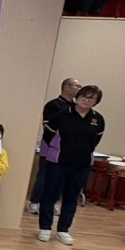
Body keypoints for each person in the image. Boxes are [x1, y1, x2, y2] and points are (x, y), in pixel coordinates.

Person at [38, 85, 105, 245]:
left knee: (71, 197)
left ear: (96, 102)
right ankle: (45, 228)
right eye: (84, 96)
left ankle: (63, 230)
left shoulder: (98, 119)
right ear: (77, 96)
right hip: (58, 162)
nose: (86, 100)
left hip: (82, 165)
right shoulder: (61, 114)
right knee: (50, 195)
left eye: (91, 98)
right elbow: (48, 135)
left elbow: (95, 140)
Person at [28, 77, 81, 215]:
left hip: (68, 149)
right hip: (51, 145)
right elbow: (48, 127)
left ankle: (52, 203)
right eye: (77, 86)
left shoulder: (76, 108)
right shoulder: (53, 105)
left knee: (60, 177)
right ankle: (35, 202)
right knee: (44, 174)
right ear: (66, 87)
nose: (79, 89)